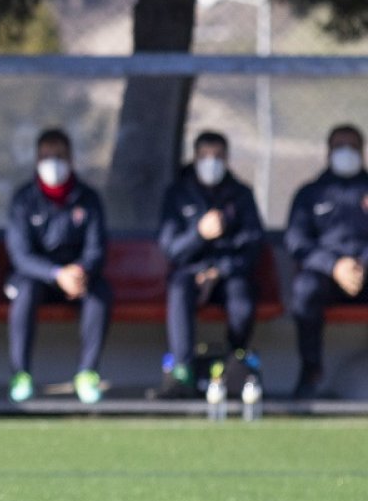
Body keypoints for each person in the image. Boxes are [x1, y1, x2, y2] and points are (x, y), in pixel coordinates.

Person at [5, 128, 110, 404]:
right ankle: (21, 373)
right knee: (23, 293)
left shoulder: (88, 198)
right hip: (37, 277)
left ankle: (87, 373)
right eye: (46, 156)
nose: (53, 162)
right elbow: (20, 255)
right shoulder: (24, 199)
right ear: (37, 160)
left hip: (78, 278)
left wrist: (80, 271)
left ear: (71, 159)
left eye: (59, 156)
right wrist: (56, 274)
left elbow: (97, 248)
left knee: (100, 294)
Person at [157, 130, 264, 394]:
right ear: (194, 157)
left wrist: (219, 271)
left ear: (227, 158)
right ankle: (182, 366)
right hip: (189, 274)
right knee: (179, 289)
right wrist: (199, 234)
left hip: (229, 274)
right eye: (205, 155)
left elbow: (252, 245)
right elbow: (171, 249)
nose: (211, 162)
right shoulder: (177, 194)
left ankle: (235, 358)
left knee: (241, 295)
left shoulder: (241, 195)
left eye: (217, 156)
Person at [285, 124, 368, 399]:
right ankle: (311, 373)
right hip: (326, 276)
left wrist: (361, 264)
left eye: (352, 147)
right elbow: (297, 241)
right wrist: (334, 266)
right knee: (304, 289)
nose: (346, 153)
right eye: (339, 147)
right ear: (328, 151)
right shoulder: (309, 194)